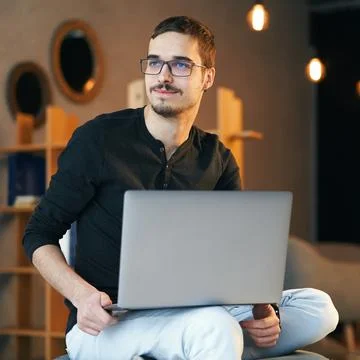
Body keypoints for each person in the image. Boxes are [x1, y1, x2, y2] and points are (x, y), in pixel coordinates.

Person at [23, 15, 338, 360]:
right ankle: (211, 343)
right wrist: (82, 296)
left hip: (193, 311)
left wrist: (263, 311)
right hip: (112, 323)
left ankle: (207, 346)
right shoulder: (98, 140)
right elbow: (39, 233)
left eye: (181, 65)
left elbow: (237, 255)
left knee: (318, 309)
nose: (164, 76)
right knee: (214, 327)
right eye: (155, 63)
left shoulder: (217, 158)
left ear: (207, 77)